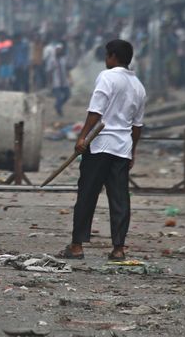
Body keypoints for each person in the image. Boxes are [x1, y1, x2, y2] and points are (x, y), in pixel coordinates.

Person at [58, 39, 146, 261]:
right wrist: (132, 152)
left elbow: (95, 111)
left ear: (113, 57)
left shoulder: (106, 77)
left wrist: (82, 137)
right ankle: (118, 248)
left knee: (87, 194)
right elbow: (137, 127)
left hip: (99, 145)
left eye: (107, 55)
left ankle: (77, 245)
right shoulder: (138, 86)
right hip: (122, 148)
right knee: (119, 199)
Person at [48, 45, 71, 116]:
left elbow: (67, 69)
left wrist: (70, 79)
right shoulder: (52, 60)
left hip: (64, 81)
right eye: (57, 50)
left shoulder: (64, 59)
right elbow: (49, 71)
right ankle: (59, 110)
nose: (59, 51)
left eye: (60, 50)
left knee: (67, 95)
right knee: (59, 97)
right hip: (56, 82)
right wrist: (50, 82)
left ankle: (58, 105)